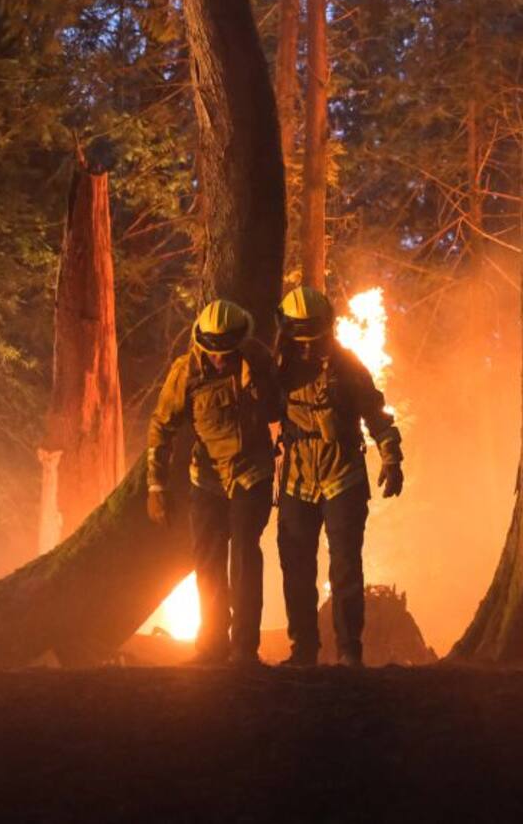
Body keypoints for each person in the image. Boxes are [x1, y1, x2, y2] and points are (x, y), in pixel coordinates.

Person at [274, 286, 404, 668]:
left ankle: (349, 652)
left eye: (313, 342)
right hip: (297, 480)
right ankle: (303, 651)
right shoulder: (277, 368)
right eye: (300, 343)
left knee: (345, 566)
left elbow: (377, 416)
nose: (307, 351)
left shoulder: (348, 367)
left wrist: (391, 459)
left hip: (342, 477)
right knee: (296, 567)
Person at [146, 299, 280, 666]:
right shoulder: (186, 371)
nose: (221, 360)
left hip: (252, 475)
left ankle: (244, 649)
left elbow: (278, 409)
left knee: (244, 560)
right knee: (208, 564)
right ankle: (211, 647)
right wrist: (156, 487)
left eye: (228, 353)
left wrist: (260, 385)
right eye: (214, 353)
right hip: (206, 481)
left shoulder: (259, 360)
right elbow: (162, 427)